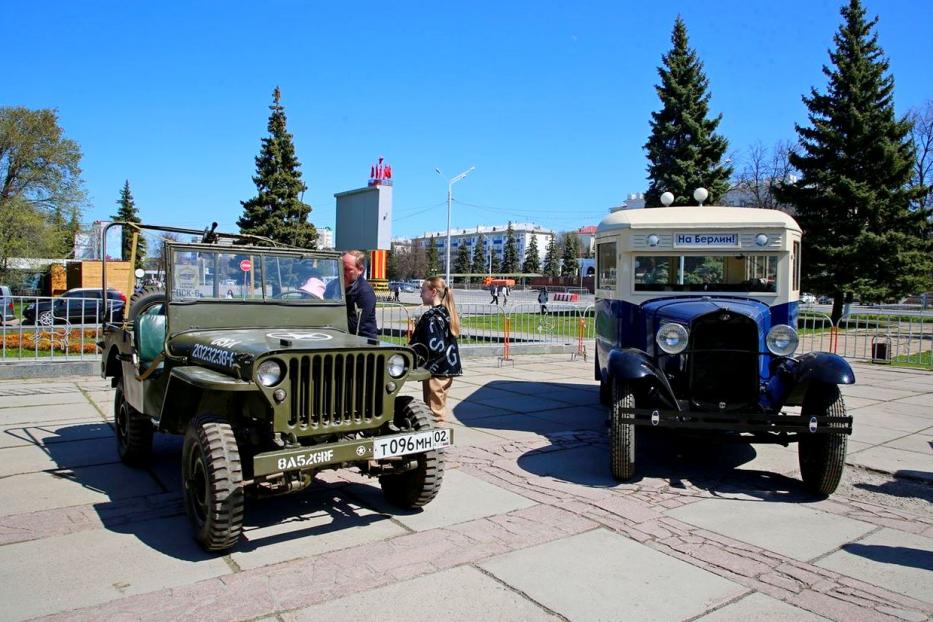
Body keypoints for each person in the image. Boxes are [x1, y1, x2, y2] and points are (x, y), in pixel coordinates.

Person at [410, 277, 462, 423]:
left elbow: (434, 346)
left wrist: (415, 351)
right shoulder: (446, 312)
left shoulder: (432, 316)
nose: (420, 294)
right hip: (447, 368)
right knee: (436, 409)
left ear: (433, 292)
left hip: (436, 370)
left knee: (434, 414)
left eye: (422, 291)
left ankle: (436, 441)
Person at [342, 250, 378, 339]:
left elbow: (354, 324)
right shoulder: (335, 285)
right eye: (341, 268)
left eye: (347, 269)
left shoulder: (365, 292)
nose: (343, 273)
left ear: (360, 270)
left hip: (363, 342)